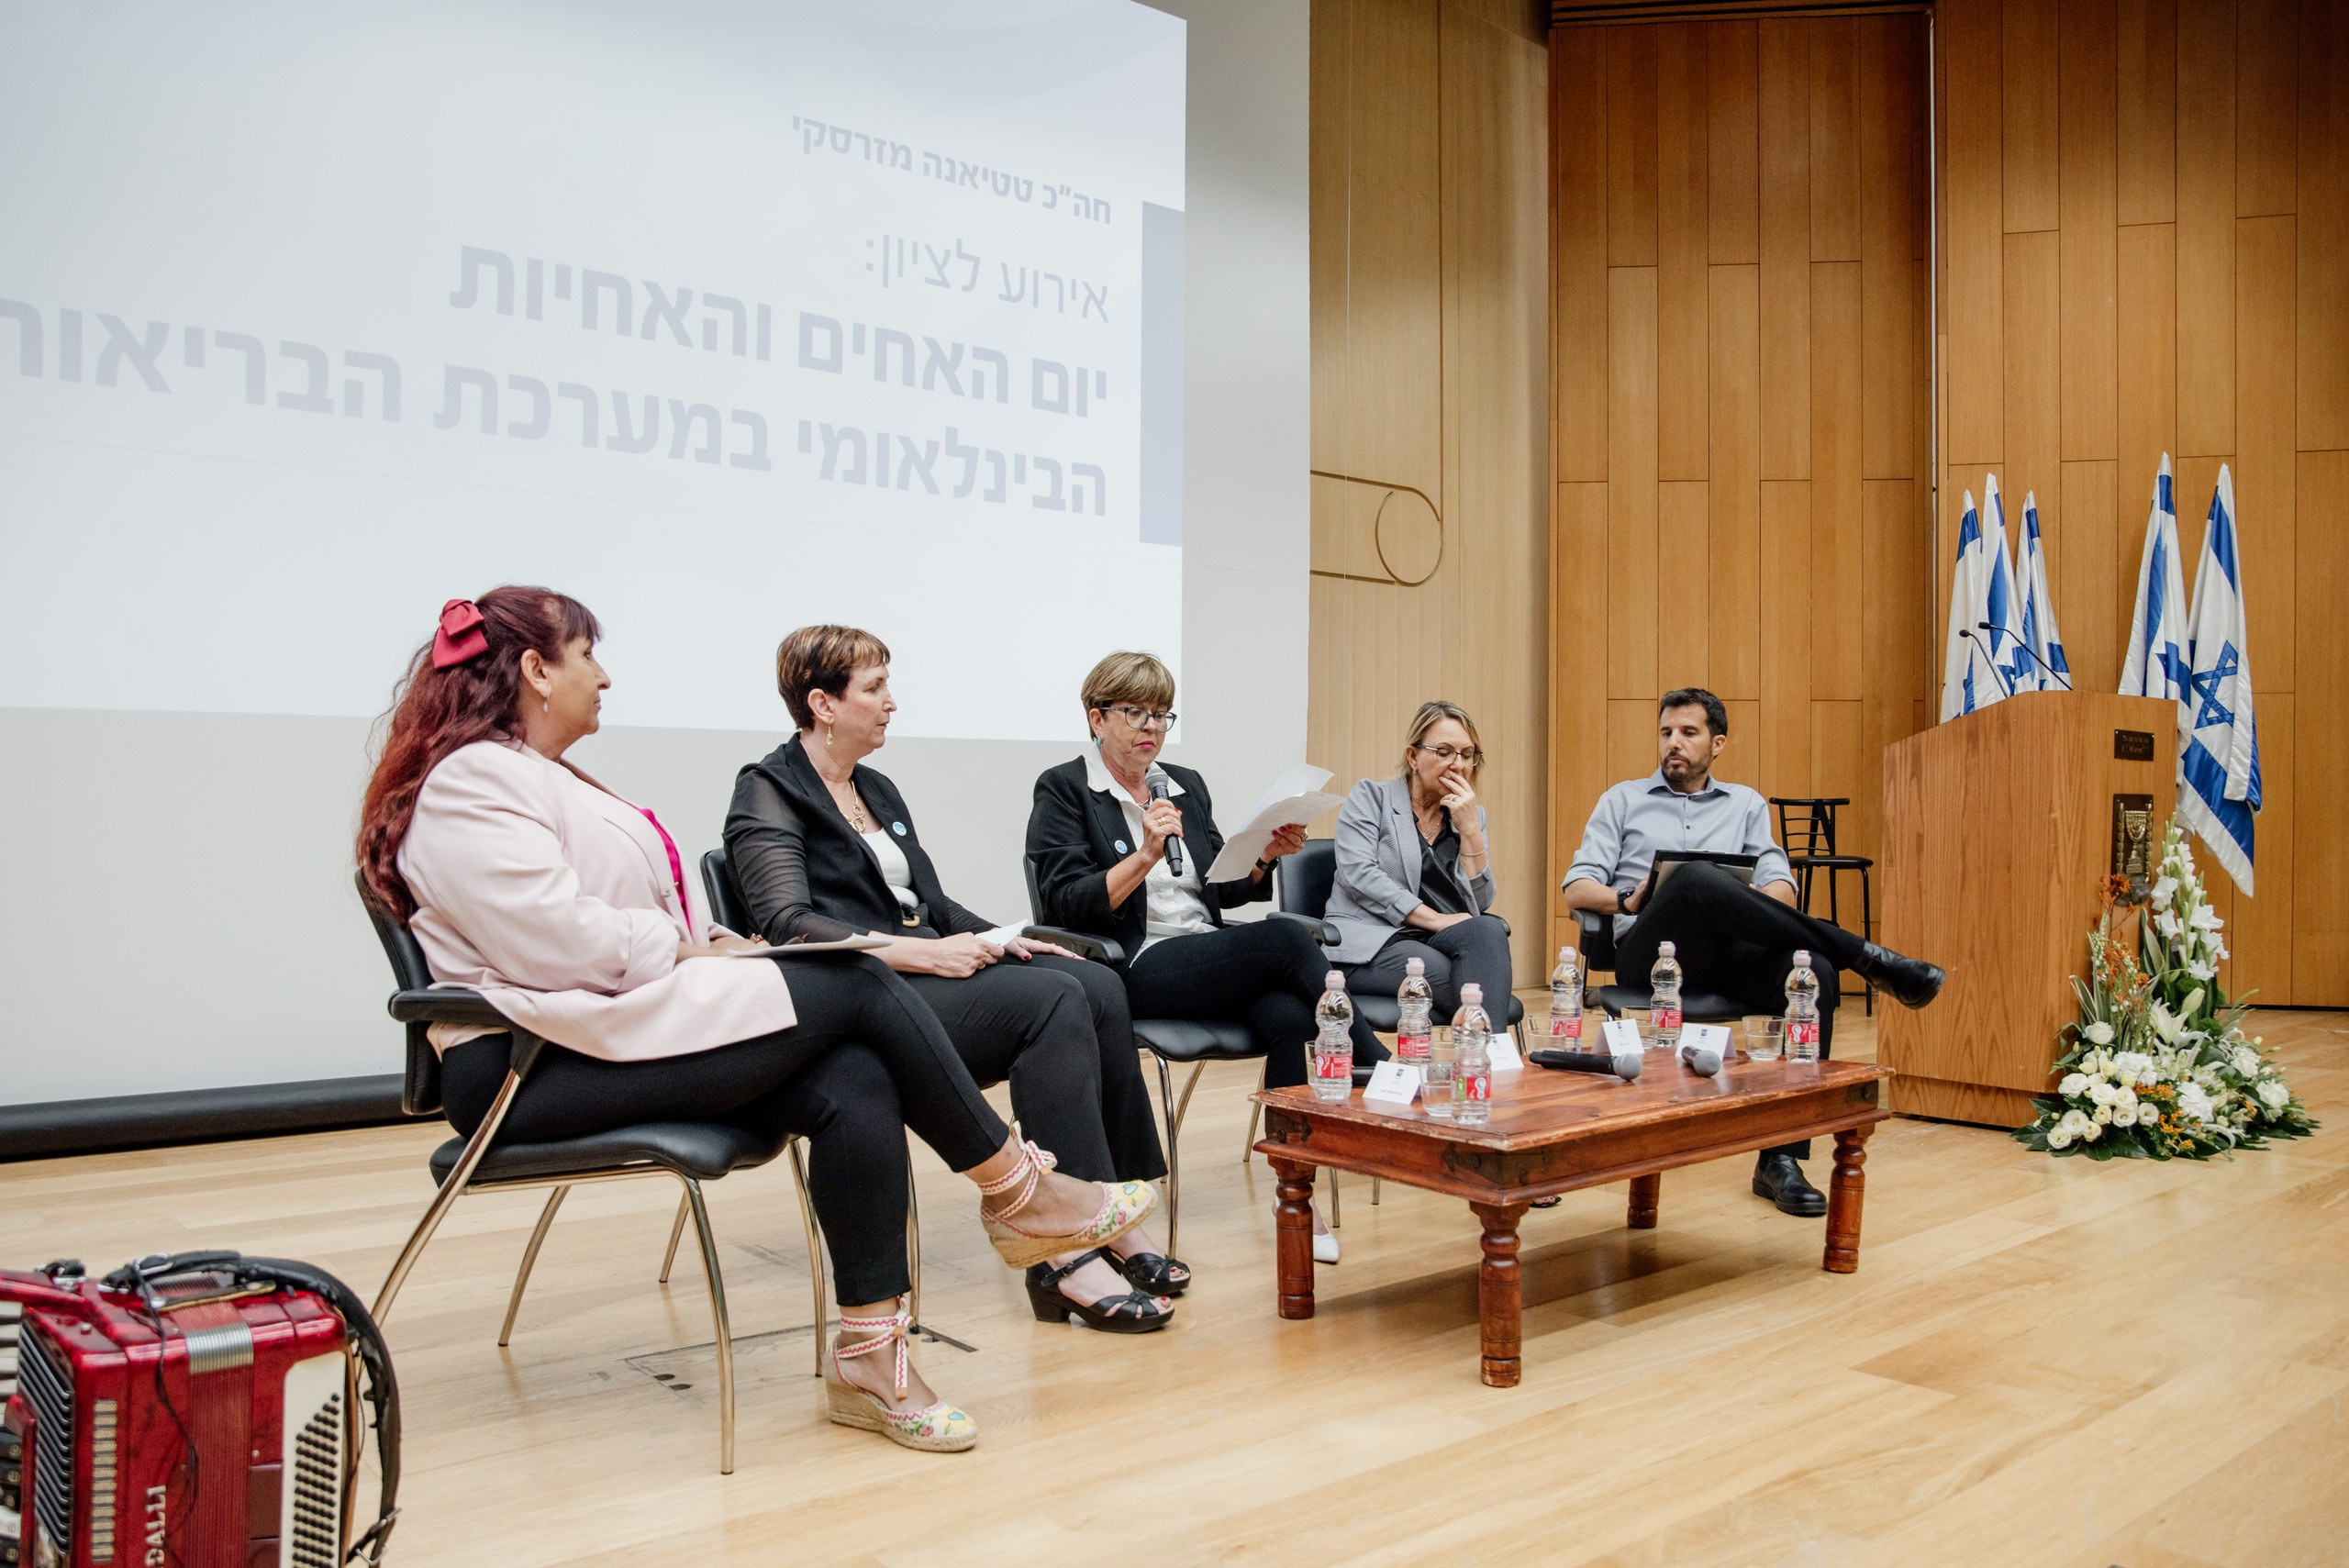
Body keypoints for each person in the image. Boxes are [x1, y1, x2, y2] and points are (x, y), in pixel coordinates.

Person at [358, 588, 1157, 1453]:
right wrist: (693, 949)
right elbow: (557, 944)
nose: (606, 675)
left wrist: (712, 939)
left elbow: (617, 918)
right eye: (589, 655)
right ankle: (1015, 1189)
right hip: (526, 1068)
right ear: (536, 670)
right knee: (852, 983)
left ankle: (869, 1359)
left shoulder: (538, 775)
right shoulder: (469, 780)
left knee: (855, 1075)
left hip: (610, 1031)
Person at [724, 625, 1180, 1332]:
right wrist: (924, 954)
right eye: (874, 689)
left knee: (1092, 980)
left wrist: (1018, 938)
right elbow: (787, 923)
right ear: (822, 703)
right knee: (1053, 1002)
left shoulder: (874, 786)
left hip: (925, 977)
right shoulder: (768, 789)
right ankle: (1067, 1255)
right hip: (868, 992)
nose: (890, 703)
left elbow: (935, 907)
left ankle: (1103, 1209)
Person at [1026, 651, 1381, 1262]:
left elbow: (1220, 886)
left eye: (1162, 713)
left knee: (1289, 1017)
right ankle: (1380, 1067)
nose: (1152, 726)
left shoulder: (1183, 781)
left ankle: (1293, 1192)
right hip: (1137, 964)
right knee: (1284, 938)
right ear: (1097, 717)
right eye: (1136, 711)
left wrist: (1266, 853)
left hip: (1203, 954)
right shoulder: (1065, 788)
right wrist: (1142, 854)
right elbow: (1066, 902)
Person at [1562, 687, 1946, 1217]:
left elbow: (1781, 887)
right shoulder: (1622, 800)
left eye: (1688, 733)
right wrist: (1631, 898)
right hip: (1651, 958)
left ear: (1717, 743)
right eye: (1666, 732)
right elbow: (1577, 888)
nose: (1673, 743)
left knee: (1813, 977)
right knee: (1694, 875)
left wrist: (1743, 908)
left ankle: (1781, 1158)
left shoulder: (1745, 803)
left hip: (1729, 957)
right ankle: (1868, 956)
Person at [1326, 700, 1513, 1015]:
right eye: (1444, 752)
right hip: (1374, 944)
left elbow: (1480, 903)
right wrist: (1436, 920)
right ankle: (1490, 1056)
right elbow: (1359, 874)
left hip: (1437, 942)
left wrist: (1470, 832)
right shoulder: (1371, 798)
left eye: (1467, 755)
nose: (1458, 765)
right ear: (1413, 756)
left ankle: (1482, 1057)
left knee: (1489, 930)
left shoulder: (1469, 815)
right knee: (1474, 990)